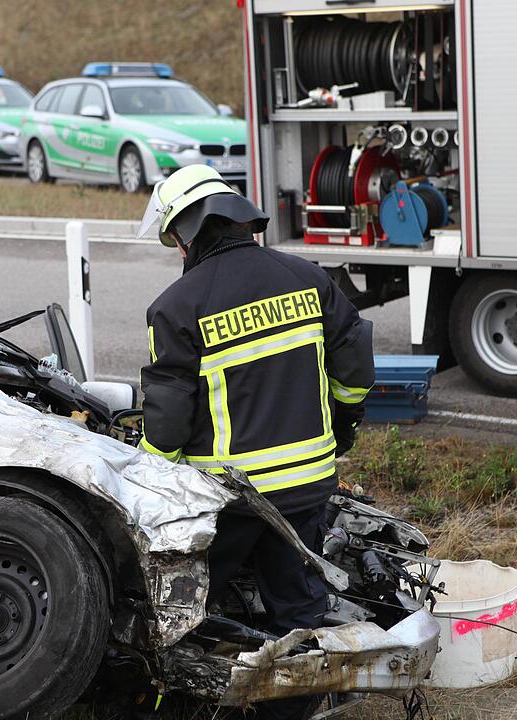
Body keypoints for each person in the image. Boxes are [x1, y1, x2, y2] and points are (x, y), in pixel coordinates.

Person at [136, 165, 375, 720]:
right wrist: (341, 425)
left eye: (174, 238)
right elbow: (355, 366)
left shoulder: (176, 306)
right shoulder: (309, 278)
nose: (176, 249)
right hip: (308, 487)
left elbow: (168, 420)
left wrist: (149, 479)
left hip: (230, 499)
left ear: (190, 232)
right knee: (299, 611)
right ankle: (292, 710)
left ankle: (169, 707)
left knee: (185, 611)